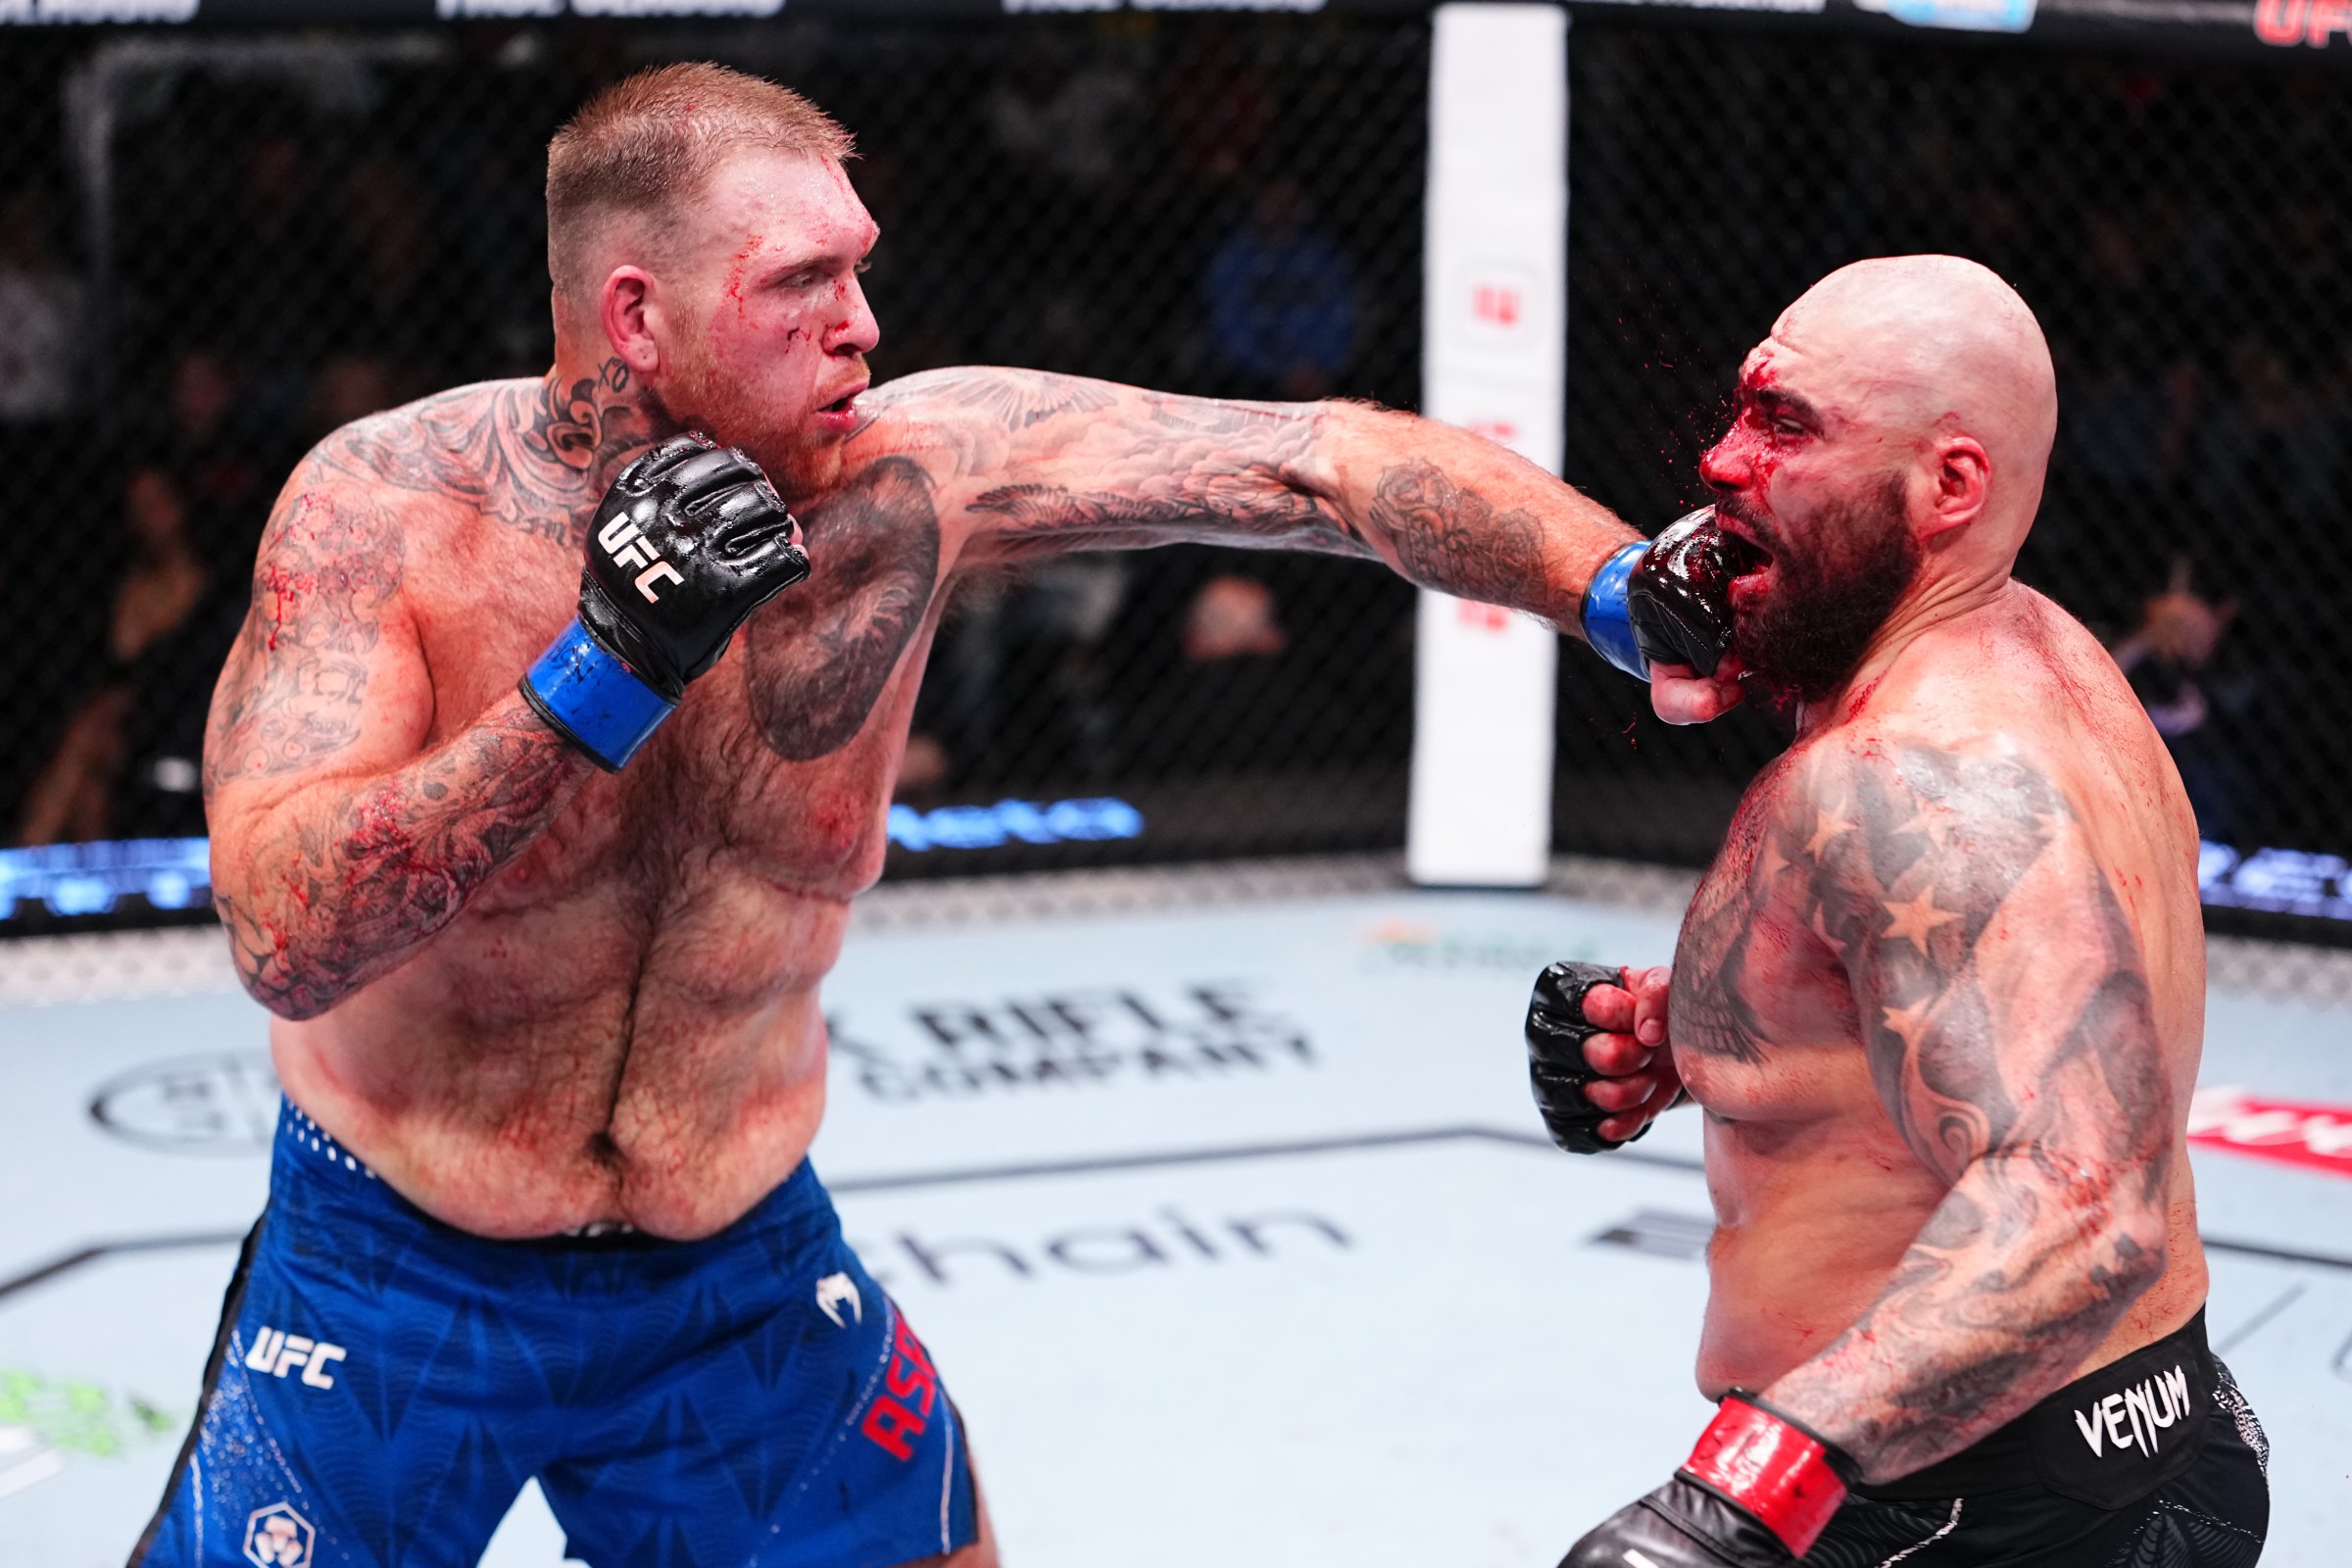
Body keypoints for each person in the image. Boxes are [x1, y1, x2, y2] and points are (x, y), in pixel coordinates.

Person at [147, 63, 1723, 1568]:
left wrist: (1612, 592)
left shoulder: (919, 478)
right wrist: (601, 676)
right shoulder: (388, 510)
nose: (864, 328)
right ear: (636, 313)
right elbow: (286, 935)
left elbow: (1318, 462)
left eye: (862, 270)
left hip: (736, 1265)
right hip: (396, 1262)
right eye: (803, 285)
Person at [1532, 257, 2269, 1567]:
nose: (1718, 459)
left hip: (1960, 1505)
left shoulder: (1902, 777)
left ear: (1949, 486)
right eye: (1744, 408)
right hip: (2158, 1434)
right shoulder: (2052, 658)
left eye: (1785, 425)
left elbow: (2081, 1199)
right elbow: (2031, 1021)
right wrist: (1728, 1036)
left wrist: (1740, 1500)